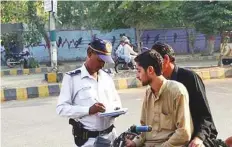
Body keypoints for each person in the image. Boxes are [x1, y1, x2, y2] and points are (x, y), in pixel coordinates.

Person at [56, 38, 122, 147]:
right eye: (100, 60)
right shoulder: (72, 78)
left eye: (104, 61)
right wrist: (88, 110)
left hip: (110, 138)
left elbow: (116, 102)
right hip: (88, 141)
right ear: (89, 53)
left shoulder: (106, 77)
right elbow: (61, 109)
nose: (102, 64)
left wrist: (114, 111)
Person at [151, 42, 218, 147]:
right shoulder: (157, 83)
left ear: (166, 60)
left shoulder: (189, 78)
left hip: (195, 135)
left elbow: (204, 116)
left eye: (155, 63)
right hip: (171, 137)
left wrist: (199, 137)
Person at [126, 50, 193, 147]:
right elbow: (145, 128)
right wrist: (135, 143)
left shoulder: (177, 91)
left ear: (150, 70)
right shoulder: (148, 92)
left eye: (139, 71)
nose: (137, 75)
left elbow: (184, 133)